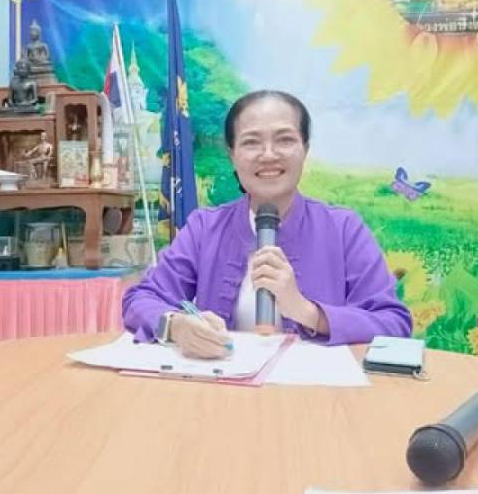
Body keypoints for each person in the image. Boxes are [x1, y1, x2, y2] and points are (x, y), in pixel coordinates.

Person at [122, 90, 412, 358]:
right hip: (225, 387)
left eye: (284, 140)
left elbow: (393, 322)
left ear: (305, 149)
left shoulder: (344, 228)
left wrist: (308, 312)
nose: (269, 154)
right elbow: (141, 300)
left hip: (316, 391)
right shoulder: (204, 228)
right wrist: (175, 326)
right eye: (251, 142)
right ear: (232, 155)